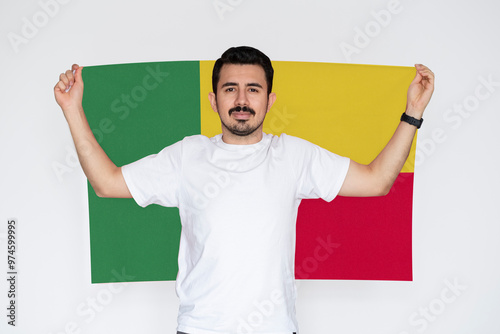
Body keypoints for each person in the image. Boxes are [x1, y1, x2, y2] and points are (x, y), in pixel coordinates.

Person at [54, 46, 434, 334]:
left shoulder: (294, 155)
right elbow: (106, 184)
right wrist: (72, 109)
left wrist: (412, 113)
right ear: (213, 99)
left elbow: (377, 180)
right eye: (230, 89)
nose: (241, 100)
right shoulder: (188, 155)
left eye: (253, 89)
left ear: (269, 100)